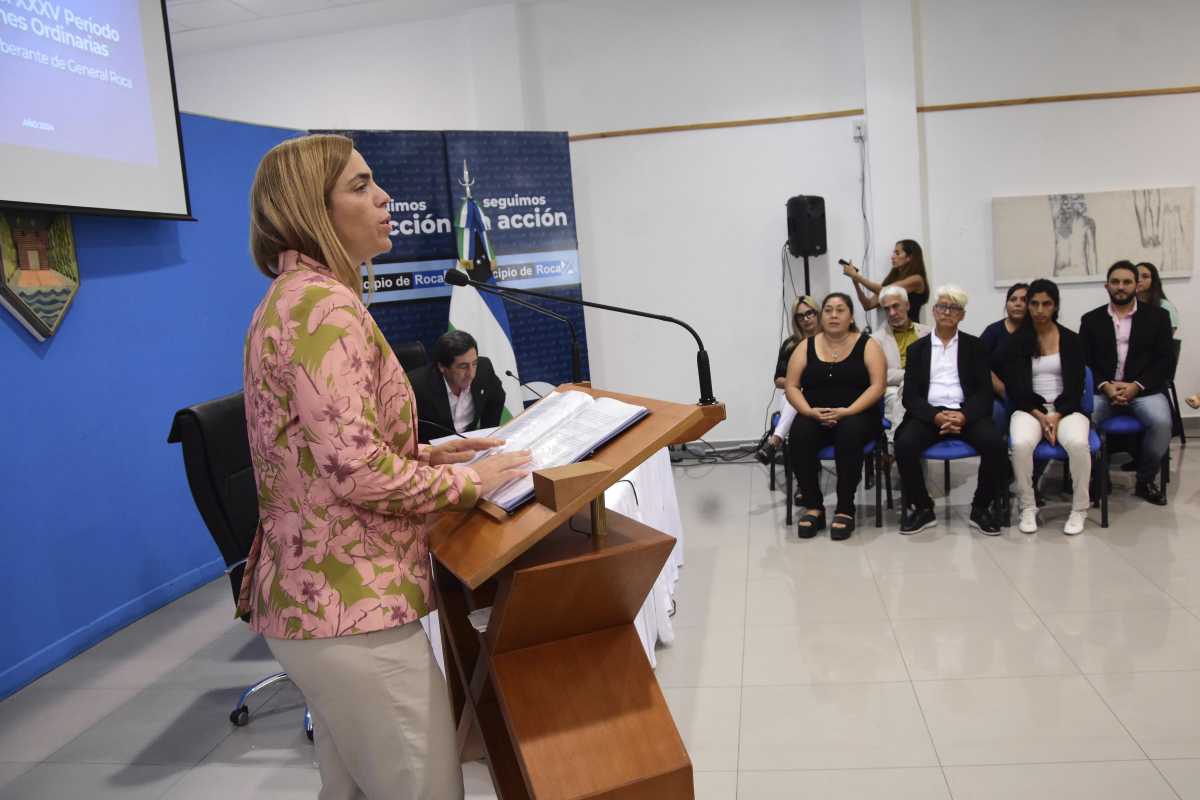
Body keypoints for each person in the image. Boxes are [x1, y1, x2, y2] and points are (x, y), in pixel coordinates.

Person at [238, 134, 531, 800]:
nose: (384, 196)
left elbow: (323, 453)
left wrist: (432, 453)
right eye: (360, 185)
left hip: (316, 607)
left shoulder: (294, 299)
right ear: (312, 209)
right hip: (351, 610)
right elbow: (358, 472)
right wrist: (470, 481)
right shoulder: (325, 308)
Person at [893, 285, 1006, 535]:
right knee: (904, 444)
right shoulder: (917, 349)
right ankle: (923, 508)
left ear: (962, 315)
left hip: (965, 412)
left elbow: (984, 393)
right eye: (942, 306)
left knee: (995, 445)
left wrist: (964, 416)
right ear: (933, 311)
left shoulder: (975, 347)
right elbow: (910, 396)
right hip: (929, 414)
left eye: (954, 308)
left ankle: (980, 507)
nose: (947, 312)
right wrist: (935, 415)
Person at [785, 293, 886, 540]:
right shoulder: (805, 346)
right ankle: (813, 506)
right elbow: (791, 386)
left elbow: (878, 386)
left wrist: (848, 411)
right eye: (828, 310)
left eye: (840, 310)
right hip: (815, 412)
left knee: (849, 432)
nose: (833, 315)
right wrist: (808, 411)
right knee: (799, 432)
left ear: (851, 317)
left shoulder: (868, 344)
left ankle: (845, 508)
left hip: (857, 413)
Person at [1079, 260, 1174, 506]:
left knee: (1163, 422)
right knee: (1082, 421)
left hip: (1144, 390)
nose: (1121, 287)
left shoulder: (1158, 317)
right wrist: (1106, 386)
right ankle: (1099, 478)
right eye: (1115, 282)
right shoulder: (1091, 320)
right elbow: (1084, 362)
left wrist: (1136, 386)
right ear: (1106, 286)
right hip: (1104, 390)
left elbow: (1165, 361)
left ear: (1137, 285)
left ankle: (1145, 480)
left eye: (1127, 282)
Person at [1004, 279, 1091, 535]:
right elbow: (1016, 389)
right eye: (1034, 303)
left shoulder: (1071, 340)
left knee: (1077, 443)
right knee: (1019, 445)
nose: (1040, 310)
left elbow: (1076, 387)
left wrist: (1057, 415)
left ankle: (1079, 508)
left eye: (1046, 304)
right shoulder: (1017, 341)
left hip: (1067, 409)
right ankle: (1028, 506)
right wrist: (1041, 416)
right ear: (1028, 306)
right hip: (1030, 409)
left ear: (1055, 306)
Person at [756, 296, 821, 465]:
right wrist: (797, 382)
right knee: (794, 396)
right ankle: (804, 474)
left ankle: (774, 442)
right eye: (800, 316)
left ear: (817, 314)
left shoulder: (829, 340)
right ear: (795, 320)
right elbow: (778, 380)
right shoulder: (791, 345)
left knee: (795, 404)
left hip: (822, 395)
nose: (806, 319)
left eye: (809, 313)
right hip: (796, 393)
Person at [410, 330, 507, 443]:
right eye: (463, 366)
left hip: (471, 446)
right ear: (442, 367)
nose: (471, 374)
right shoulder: (416, 387)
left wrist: (488, 435)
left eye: (474, 363)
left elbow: (497, 398)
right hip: (435, 452)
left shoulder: (484, 369)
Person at [870, 285, 929, 437]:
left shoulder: (927, 332)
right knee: (900, 398)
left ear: (907, 305)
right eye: (887, 309)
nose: (892, 313)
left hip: (927, 384)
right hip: (893, 388)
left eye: (896, 306)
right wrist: (910, 375)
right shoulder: (875, 340)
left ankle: (898, 447)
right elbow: (879, 374)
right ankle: (898, 443)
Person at [841, 239, 930, 322]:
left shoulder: (917, 279)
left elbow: (886, 291)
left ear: (909, 257)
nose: (892, 257)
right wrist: (855, 281)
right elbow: (868, 305)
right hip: (893, 331)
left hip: (911, 332)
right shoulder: (893, 279)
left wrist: (857, 276)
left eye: (897, 253)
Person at [980, 282, 1028, 396]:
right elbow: (978, 364)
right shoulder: (993, 331)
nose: (1018, 304)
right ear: (1006, 304)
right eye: (1013, 299)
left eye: (1024, 300)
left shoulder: (1036, 332)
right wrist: (1004, 392)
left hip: (1029, 396)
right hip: (997, 395)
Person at [1135, 261, 1180, 336]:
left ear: (1153, 280)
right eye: (1136, 276)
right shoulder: (1128, 305)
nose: (1139, 280)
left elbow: (1167, 338)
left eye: (1145, 276)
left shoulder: (1165, 306)